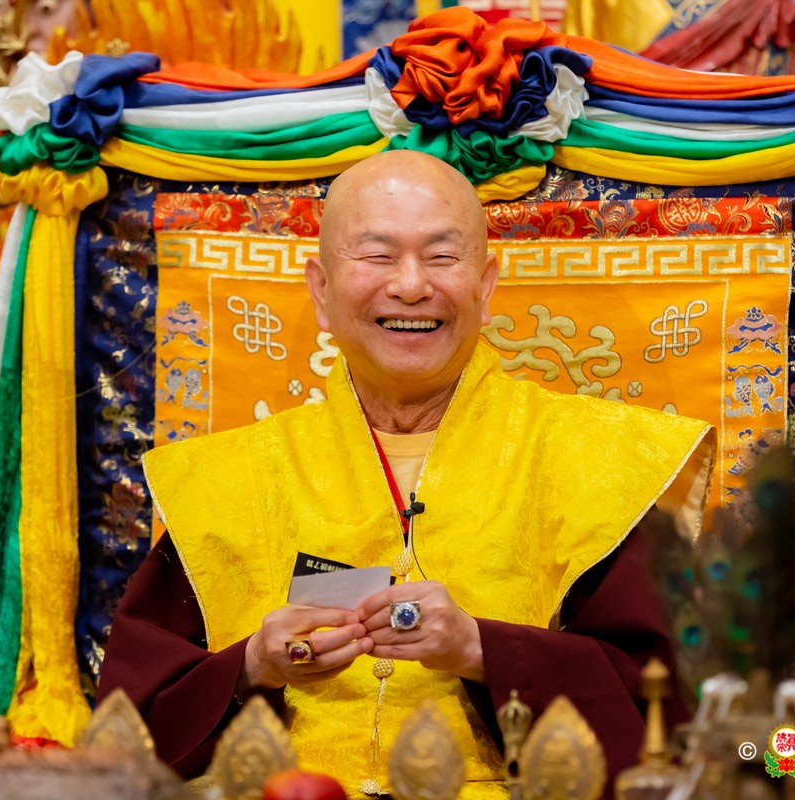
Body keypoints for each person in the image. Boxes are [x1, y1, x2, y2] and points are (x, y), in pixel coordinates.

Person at [98, 150, 715, 799]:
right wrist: (251, 665)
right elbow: (126, 731)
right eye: (378, 255)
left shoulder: (604, 461)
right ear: (322, 290)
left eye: (442, 256)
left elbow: (664, 708)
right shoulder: (224, 478)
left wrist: (481, 649)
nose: (412, 285)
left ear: (486, 285)